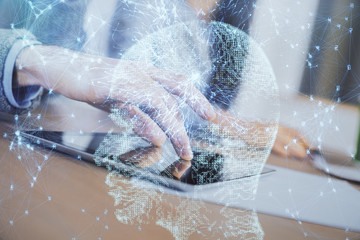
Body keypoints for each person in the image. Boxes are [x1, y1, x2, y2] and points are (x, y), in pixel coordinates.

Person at [0, 0, 310, 160]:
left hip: (37, 118)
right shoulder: (149, 9)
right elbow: (141, 91)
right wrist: (229, 125)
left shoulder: (225, 24)